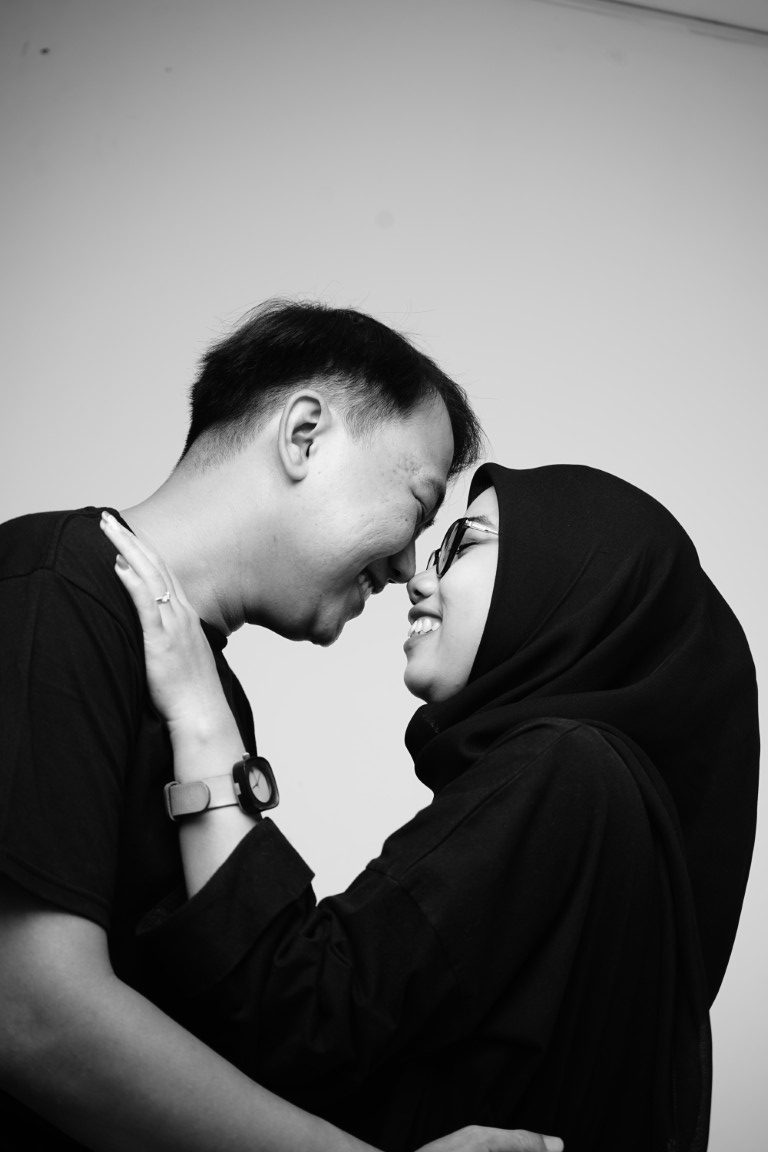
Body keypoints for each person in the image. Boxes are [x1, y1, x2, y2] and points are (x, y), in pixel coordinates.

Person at [0, 298, 562, 1152]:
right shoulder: (51, 595)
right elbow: (30, 1012)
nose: (409, 564)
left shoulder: (211, 699)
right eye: (417, 505)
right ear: (303, 435)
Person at [103, 461, 759, 1152]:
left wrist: (200, 714)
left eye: (463, 543)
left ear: (571, 583)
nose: (417, 577)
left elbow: (295, 1015)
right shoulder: (620, 823)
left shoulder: (566, 768)